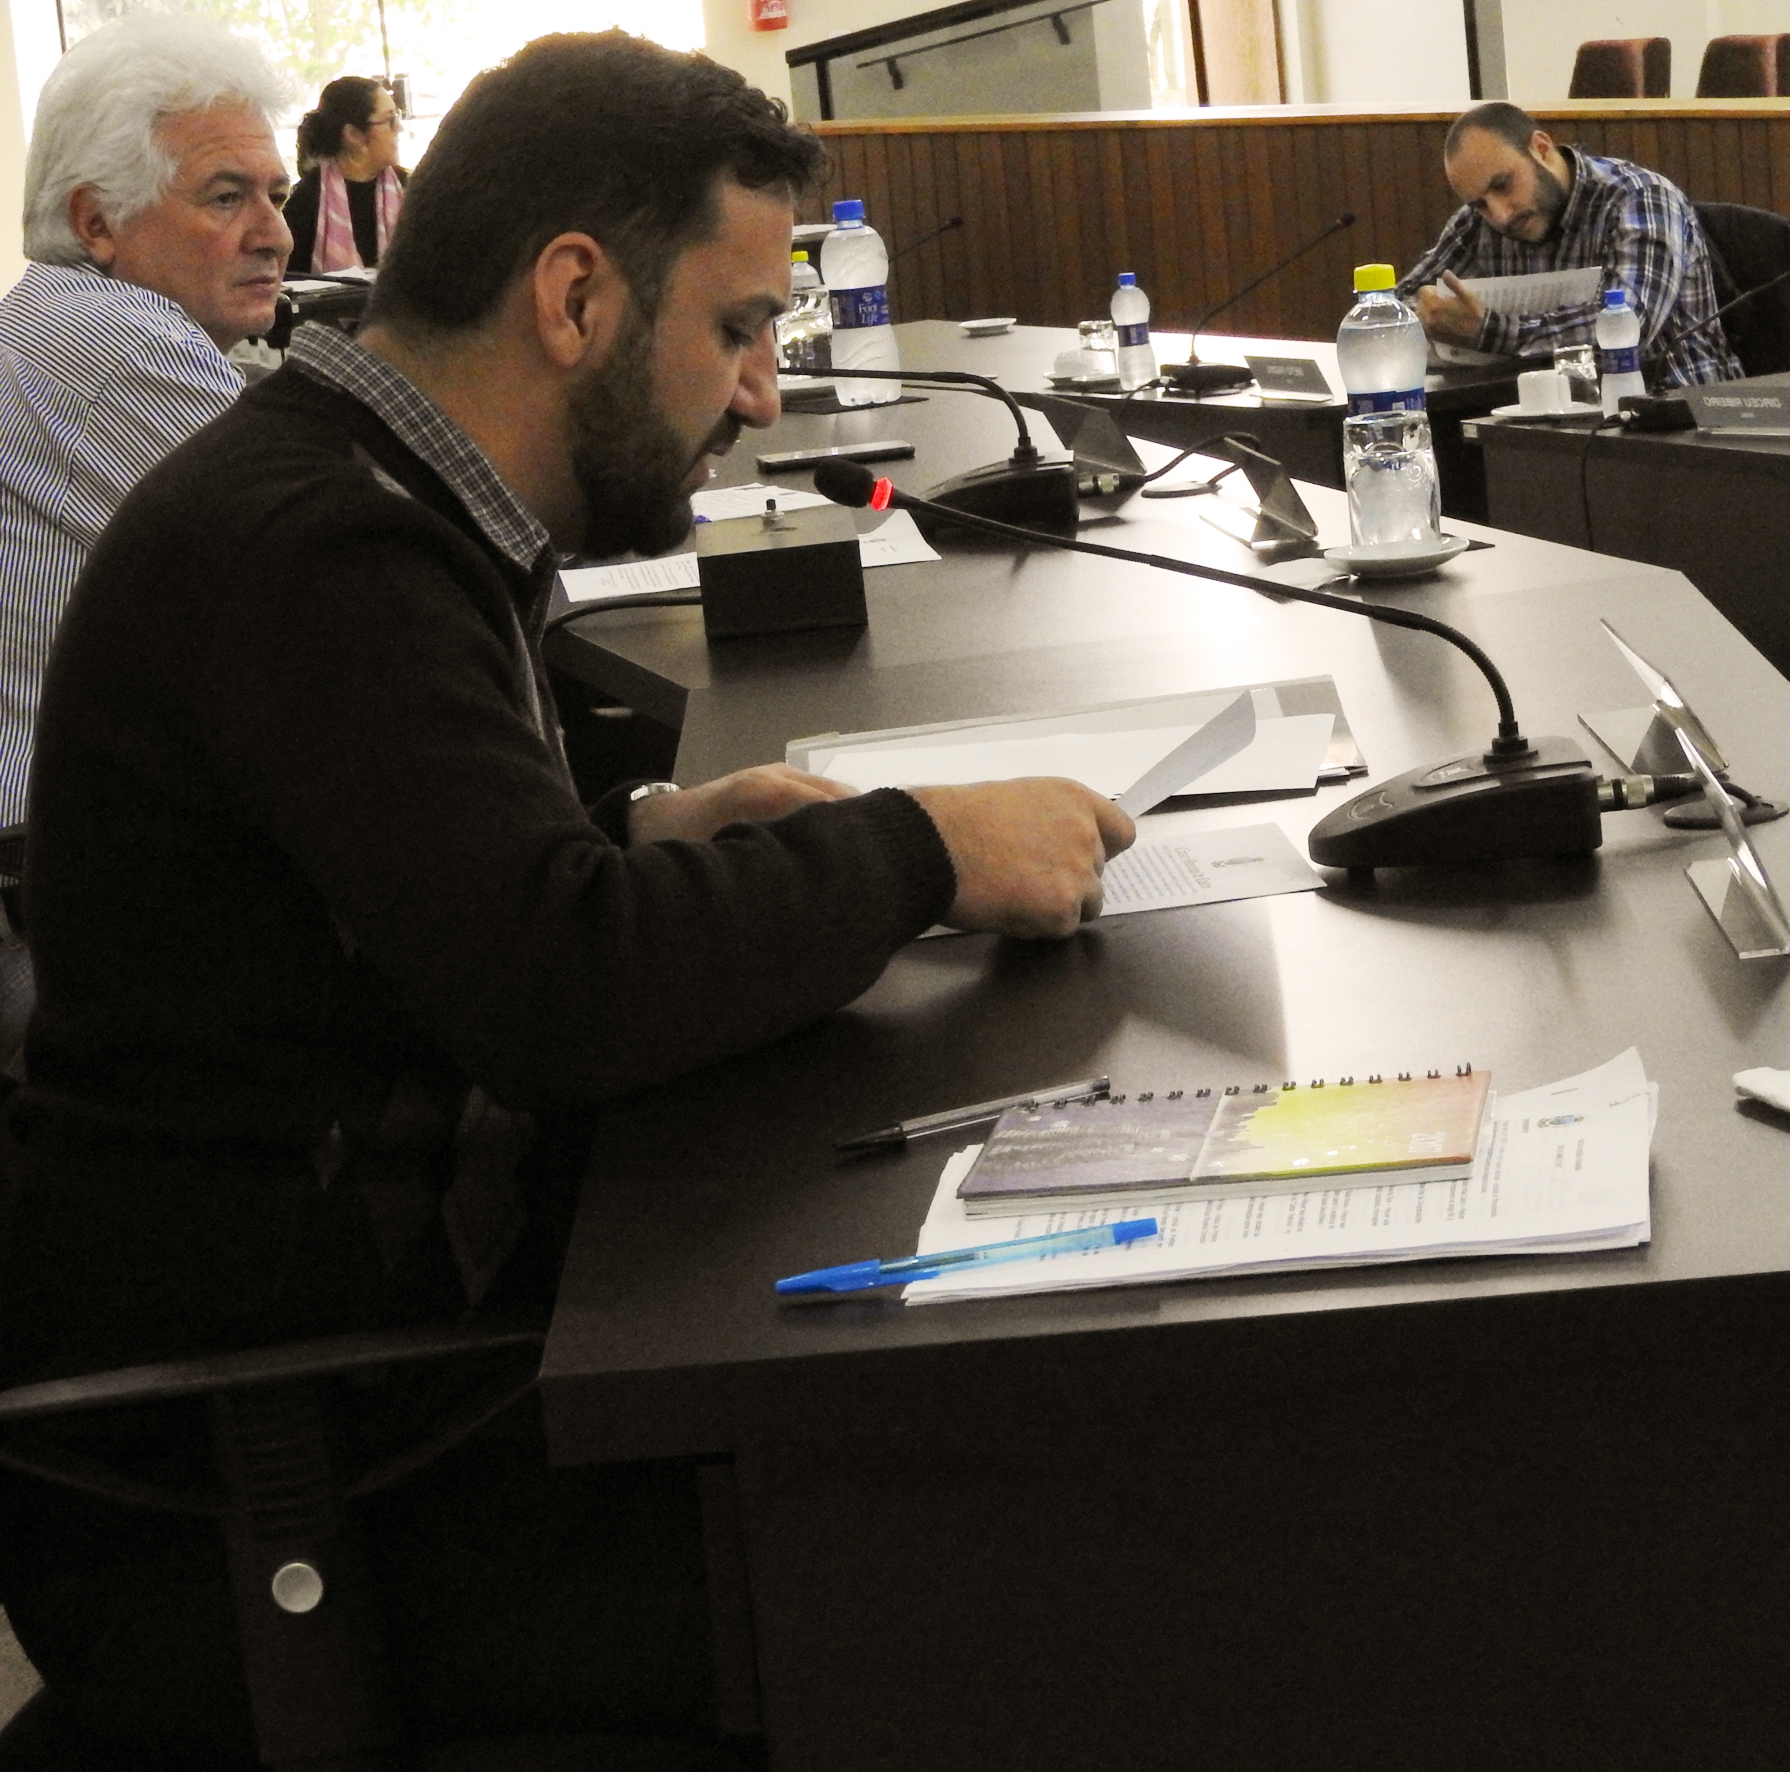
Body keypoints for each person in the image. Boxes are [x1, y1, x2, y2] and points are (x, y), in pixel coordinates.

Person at [0, 30, 1131, 1761]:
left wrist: (644, 826)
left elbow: (391, 882)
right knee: (1005, 1516)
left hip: (366, 1355)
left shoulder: (360, 493)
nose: (759, 395)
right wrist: (919, 849)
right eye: (736, 329)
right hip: (307, 1475)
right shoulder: (323, 547)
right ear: (576, 296)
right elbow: (560, 993)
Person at [0, 15, 293, 1073]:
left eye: (278, 195)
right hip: (62, 902)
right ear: (97, 222)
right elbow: (344, 571)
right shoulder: (111, 342)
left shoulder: (68, 322)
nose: (275, 234)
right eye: (227, 197)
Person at [1396, 101, 1739, 387]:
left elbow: (1627, 327)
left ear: (1542, 149)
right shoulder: (1477, 222)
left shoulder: (1640, 198)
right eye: (1480, 204)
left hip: (1680, 413)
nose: (1499, 215)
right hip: (1544, 415)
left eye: (1503, 185)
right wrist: (1430, 313)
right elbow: (1400, 303)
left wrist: (1489, 330)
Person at [283, 74, 405, 272]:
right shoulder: (307, 201)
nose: (399, 128)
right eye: (390, 120)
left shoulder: (409, 189)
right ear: (353, 135)